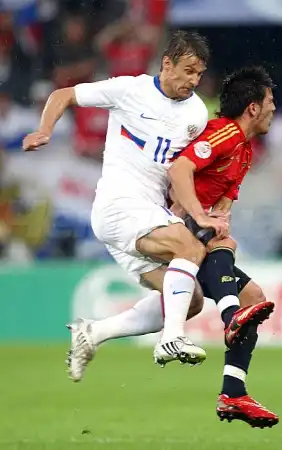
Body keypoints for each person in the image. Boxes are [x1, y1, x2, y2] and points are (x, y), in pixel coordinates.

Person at [68, 67, 279, 428]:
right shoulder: (224, 133)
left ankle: (233, 392)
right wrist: (198, 215)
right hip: (158, 221)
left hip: (188, 229)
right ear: (253, 108)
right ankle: (226, 320)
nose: (275, 108)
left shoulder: (244, 151)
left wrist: (215, 219)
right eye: (270, 101)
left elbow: (223, 206)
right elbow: (180, 169)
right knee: (222, 254)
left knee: (245, 297)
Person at [22, 30, 230, 375]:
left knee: (189, 299)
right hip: (119, 205)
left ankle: (94, 333)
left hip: (147, 214)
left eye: (199, 74)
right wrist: (45, 130)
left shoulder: (196, 113)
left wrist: (183, 206)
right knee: (190, 248)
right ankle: (171, 338)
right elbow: (63, 94)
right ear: (167, 64)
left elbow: (182, 169)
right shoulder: (129, 90)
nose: (194, 81)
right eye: (188, 71)